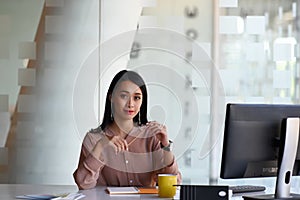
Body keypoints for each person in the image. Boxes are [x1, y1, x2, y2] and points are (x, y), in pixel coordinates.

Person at [73, 69, 181, 189]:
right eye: (124, 96)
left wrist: (165, 146)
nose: (130, 104)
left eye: (136, 98)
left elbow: (174, 184)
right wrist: (100, 146)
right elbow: (84, 184)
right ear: (111, 97)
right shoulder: (93, 139)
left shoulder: (152, 136)